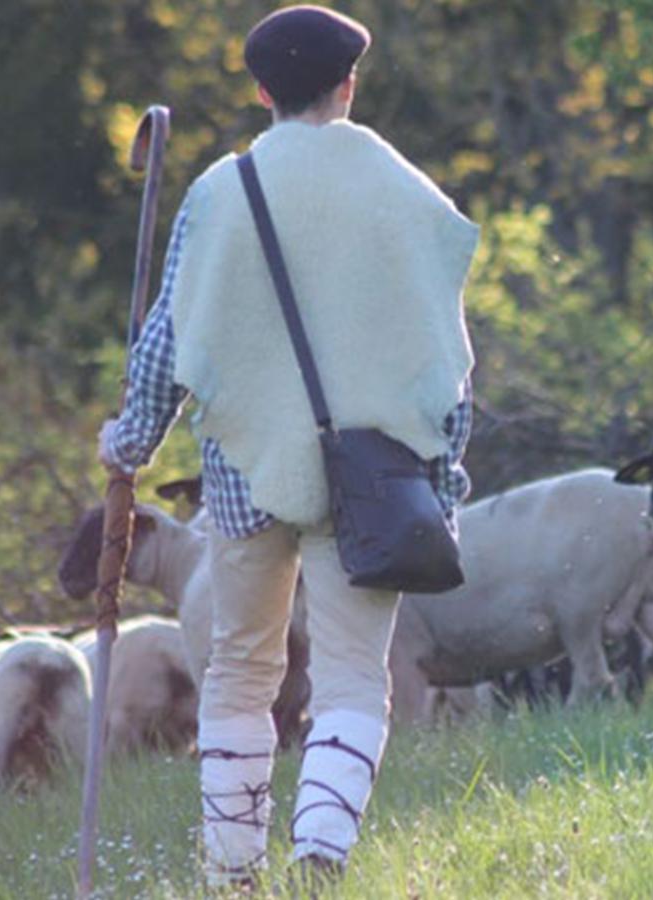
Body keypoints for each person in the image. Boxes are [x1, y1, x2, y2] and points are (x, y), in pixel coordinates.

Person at [96, 4, 478, 886]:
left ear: (262, 90)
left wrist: (130, 444)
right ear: (349, 83)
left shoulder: (220, 192)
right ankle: (320, 851)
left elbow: (166, 341)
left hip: (242, 472)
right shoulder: (403, 189)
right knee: (352, 675)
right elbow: (449, 355)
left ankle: (232, 868)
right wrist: (443, 477)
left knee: (239, 668)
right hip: (376, 476)